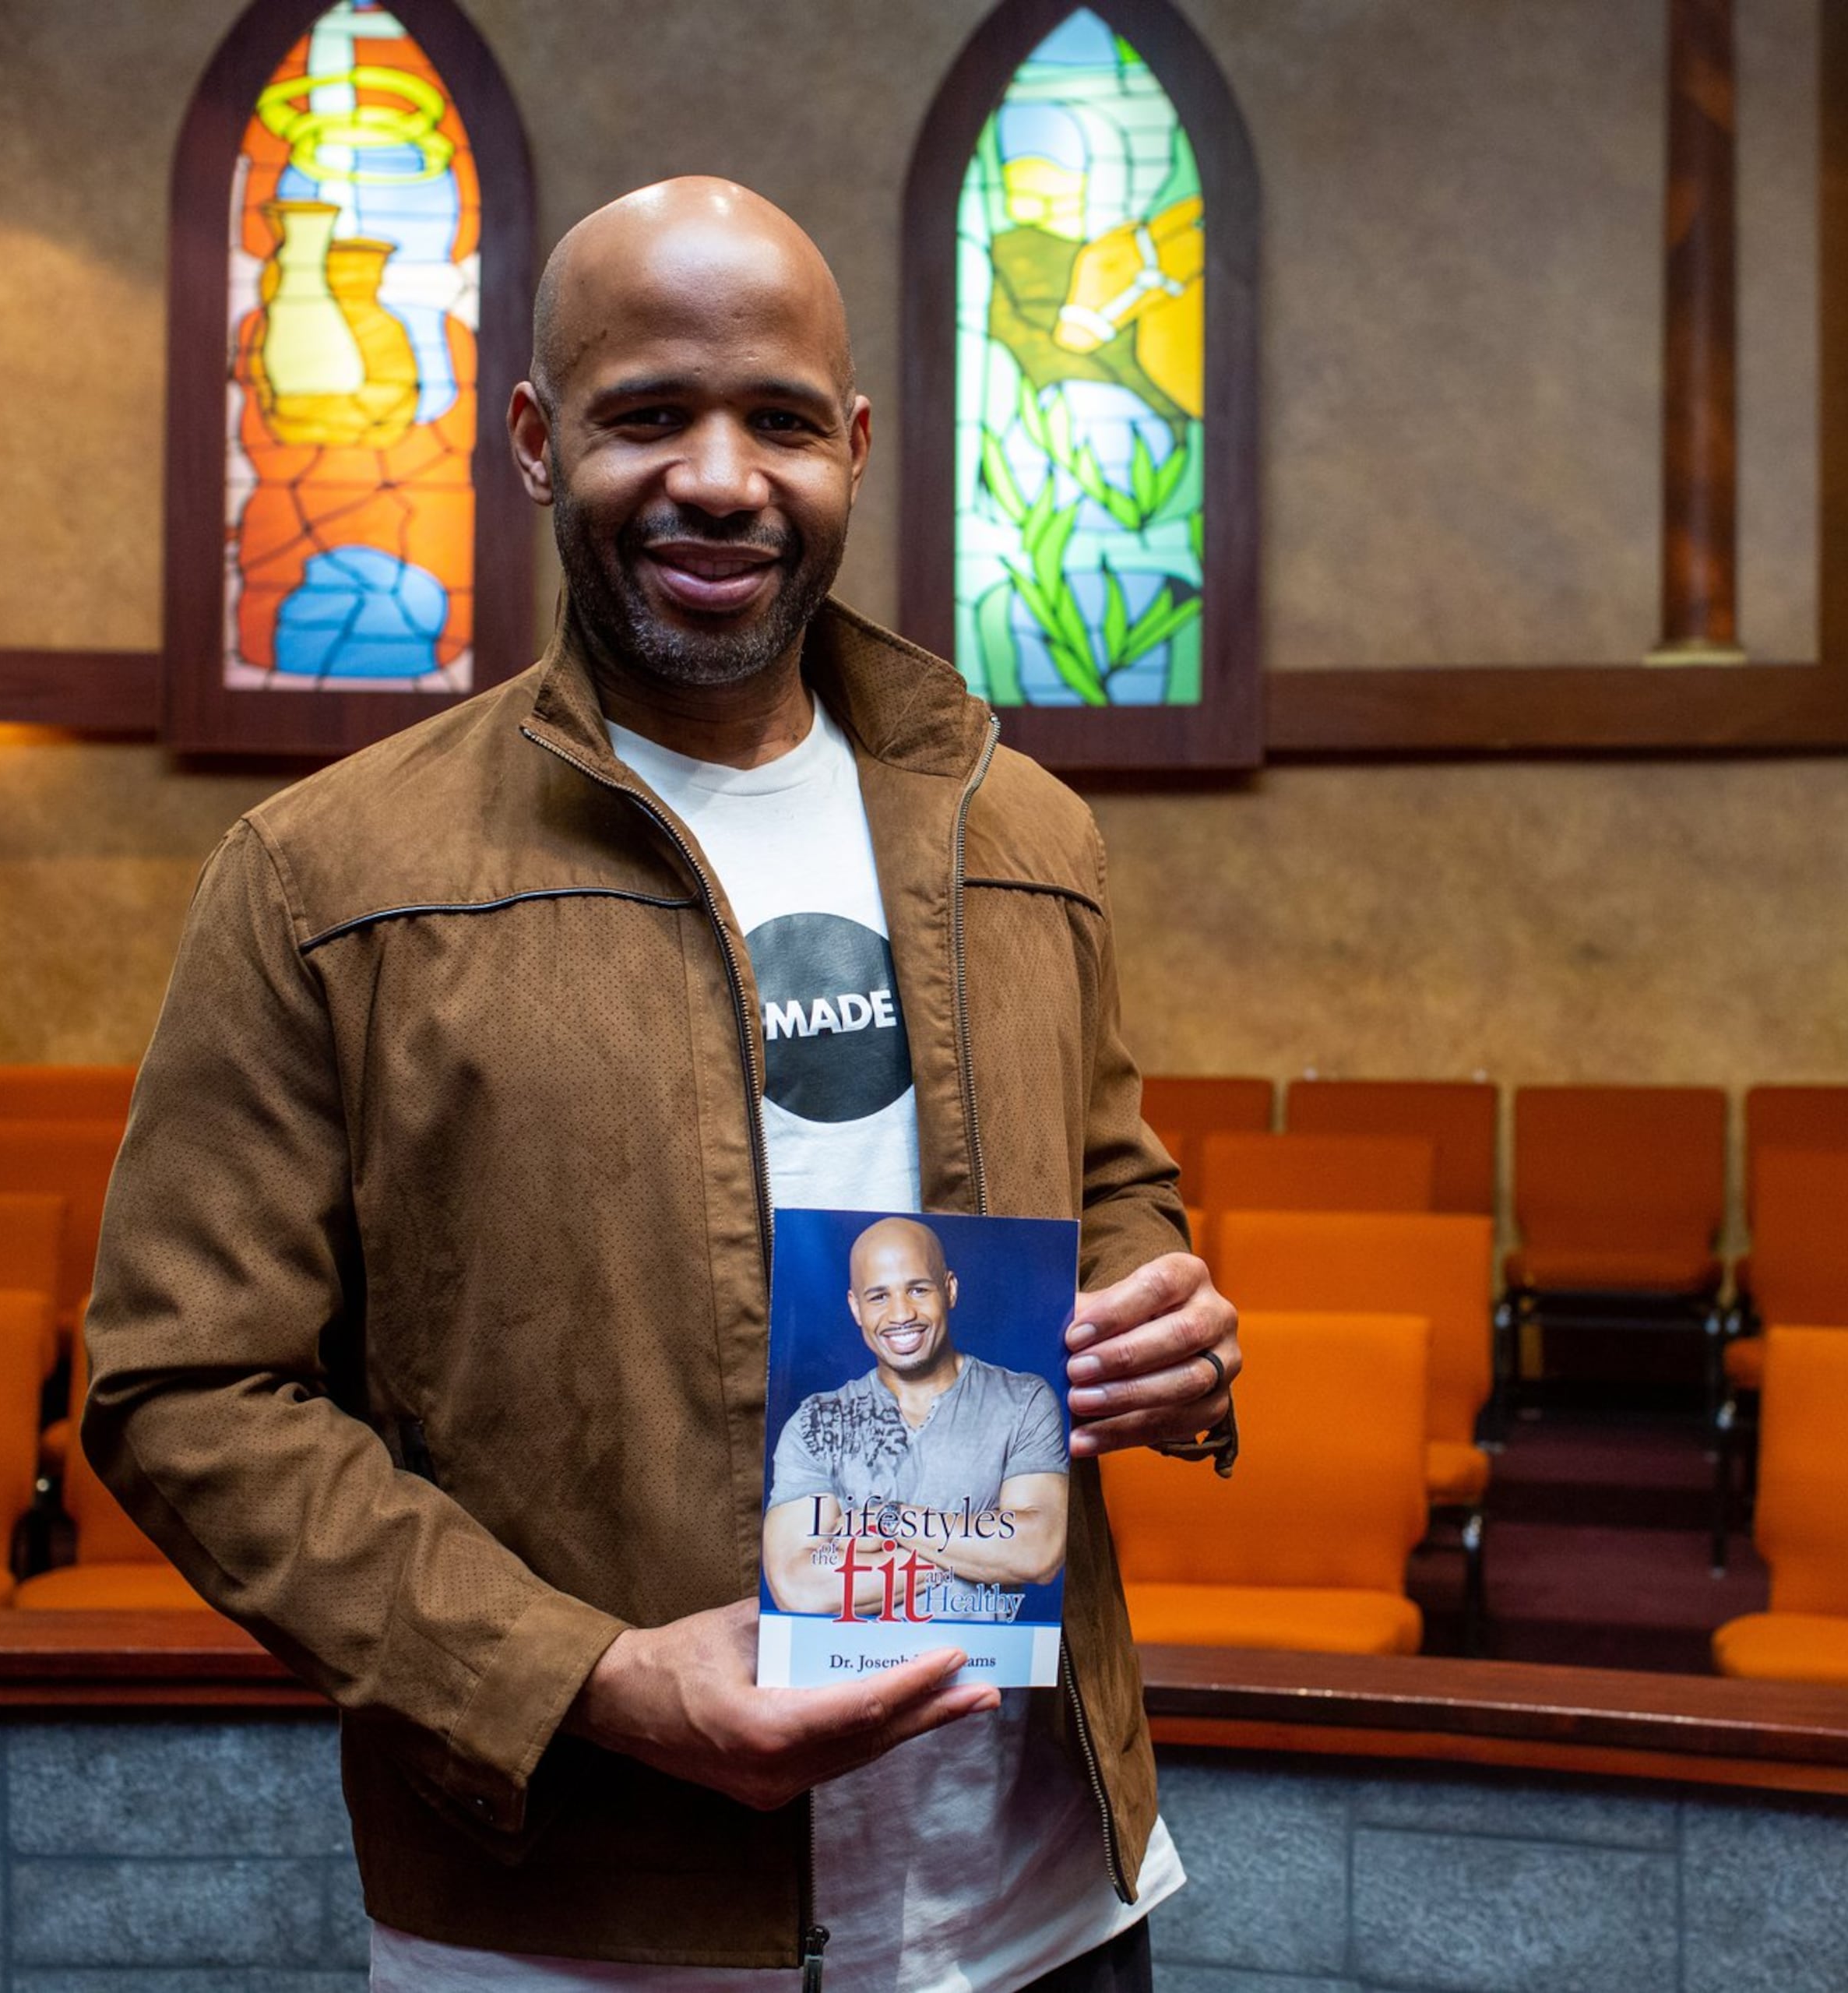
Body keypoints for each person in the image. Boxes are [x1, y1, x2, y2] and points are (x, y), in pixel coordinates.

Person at [82, 176, 1241, 1993]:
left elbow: (1111, 1180)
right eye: (648, 414)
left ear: (853, 446)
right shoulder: (326, 874)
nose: (719, 475)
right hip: (590, 1927)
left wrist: (1153, 1318)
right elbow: (186, 1393)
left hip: (1035, 1896)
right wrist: (588, 1679)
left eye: (778, 418)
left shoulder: (1016, 826)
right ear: (540, 441)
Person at [764, 1217, 1072, 1624]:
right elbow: (798, 1587)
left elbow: (1038, 1551)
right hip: (851, 1679)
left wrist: (886, 1520)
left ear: (950, 1290)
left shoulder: (1024, 1402)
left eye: (918, 1289)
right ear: (855, 1308)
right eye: (878, 1297)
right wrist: (973, 1556)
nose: (901, 1313)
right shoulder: (814, 1423)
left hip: (984, 1679)